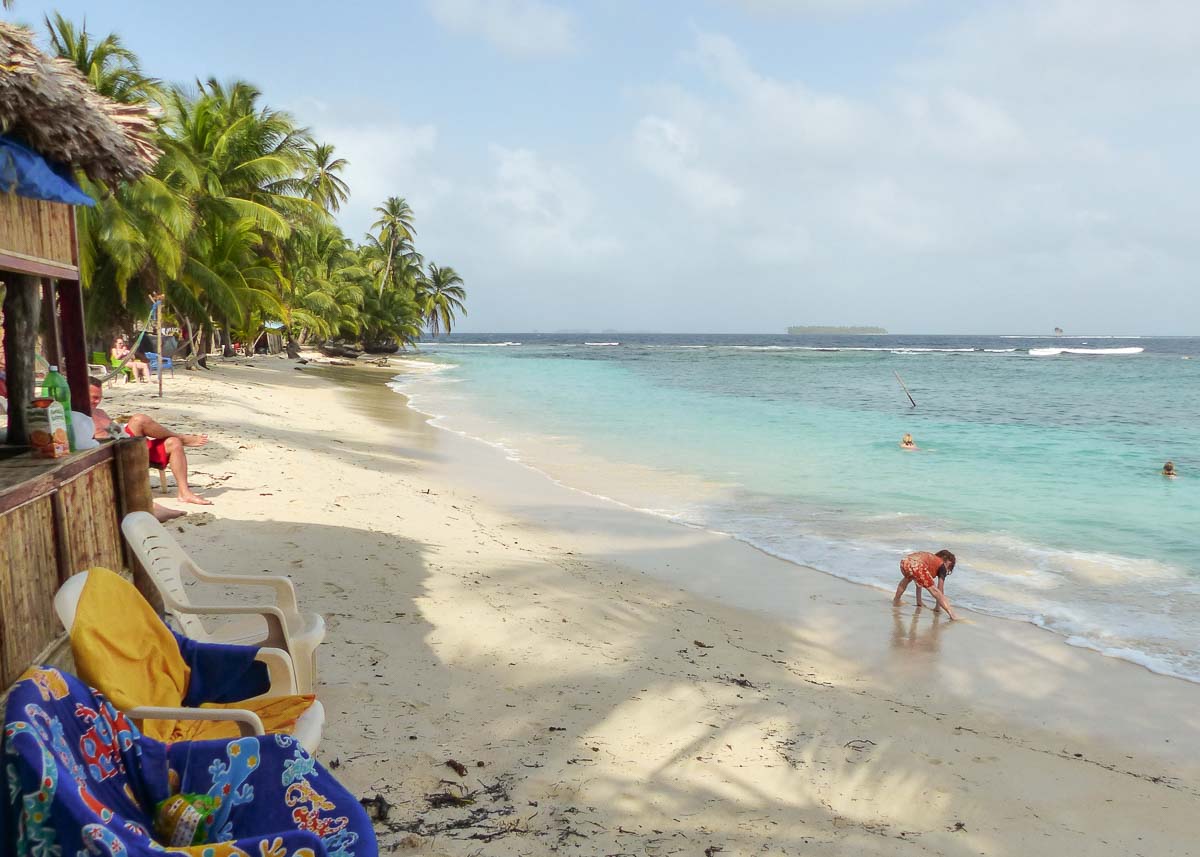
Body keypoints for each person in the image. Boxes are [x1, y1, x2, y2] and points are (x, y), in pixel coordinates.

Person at [88, 378, 211, 505]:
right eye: (94, 397)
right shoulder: (77, 416)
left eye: (100, 397)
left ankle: (184, 493)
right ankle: (182, 438)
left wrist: (123, 431)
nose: (98, 401)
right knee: (138, 419)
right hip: (111, 453)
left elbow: (115, 432)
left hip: (126, 444)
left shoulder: (100, 412)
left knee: (173, 442)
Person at [893, 549, 957, 620]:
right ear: (947, 561)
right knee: (934, 590)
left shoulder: (930, 559)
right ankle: (952, 614)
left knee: (906, 580)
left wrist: (919, 602)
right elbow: (940, 589)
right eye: (950, 566)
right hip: (917, 565)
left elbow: (919, 583)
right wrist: (937, 607)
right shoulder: (941, 565)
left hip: (905, 562)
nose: (948, 569)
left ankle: (896, 599)